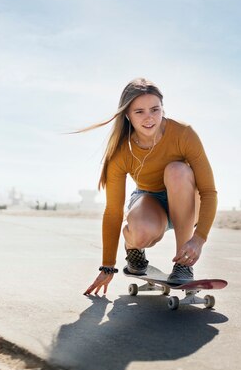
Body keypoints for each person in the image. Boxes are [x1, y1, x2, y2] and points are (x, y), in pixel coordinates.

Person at [81, 78, 217, 295]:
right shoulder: (121, 152)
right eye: (139, 112)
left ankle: (183, 265)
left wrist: (199, 239)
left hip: (188, 200)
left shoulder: (183, 134)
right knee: (141, 233)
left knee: (177, 171)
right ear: (127, 115)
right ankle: (133, 248)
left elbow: (209, 191)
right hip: (149, 201)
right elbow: (113, 211)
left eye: (155, 109)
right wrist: (108, 265)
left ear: (163, 108)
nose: (149, 118)